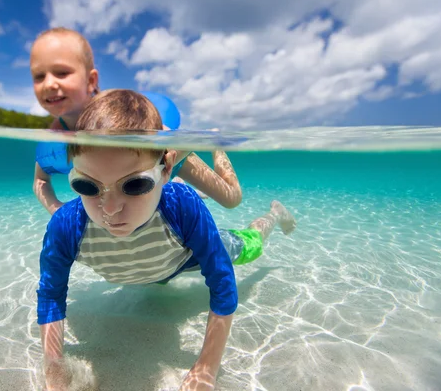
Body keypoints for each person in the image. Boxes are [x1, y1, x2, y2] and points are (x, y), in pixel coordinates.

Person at [36, 90, 296, 390]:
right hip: (154, 267)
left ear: (167, 169)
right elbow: (51, 295)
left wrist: (206, 370)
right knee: (155, 277)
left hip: (185, 256)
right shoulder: (66, 226)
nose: (110, 209)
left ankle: (273, 213)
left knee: (251, 246)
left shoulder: (182, 206)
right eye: (87, 185)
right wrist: (54, 369)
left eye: (134, 184)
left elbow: (222, 283)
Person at [30, 27, 242, 216]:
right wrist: (56, 209)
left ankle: (214, 145)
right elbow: (40, 181)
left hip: (171, 158)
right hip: (140, 181)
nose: (48, 83)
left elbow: (176, 144)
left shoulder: (117, 112)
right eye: (39, 76)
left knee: (232, 199)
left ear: (91, 80)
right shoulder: (53, 141)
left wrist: (160, 173)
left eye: (62, 72)